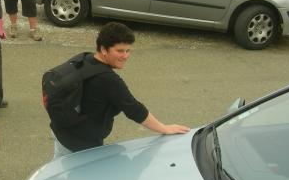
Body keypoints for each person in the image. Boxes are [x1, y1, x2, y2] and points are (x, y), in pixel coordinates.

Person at [51, 22, 189, 158]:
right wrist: (164, 129)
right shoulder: (108, 80)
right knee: (79, 178)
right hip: (78, 145)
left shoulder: (84, 58)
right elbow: (135, 110)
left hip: (61, 131)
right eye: (120, 51)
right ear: (104, 49)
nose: (125, 56)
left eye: (128, 50)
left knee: (60, 172)